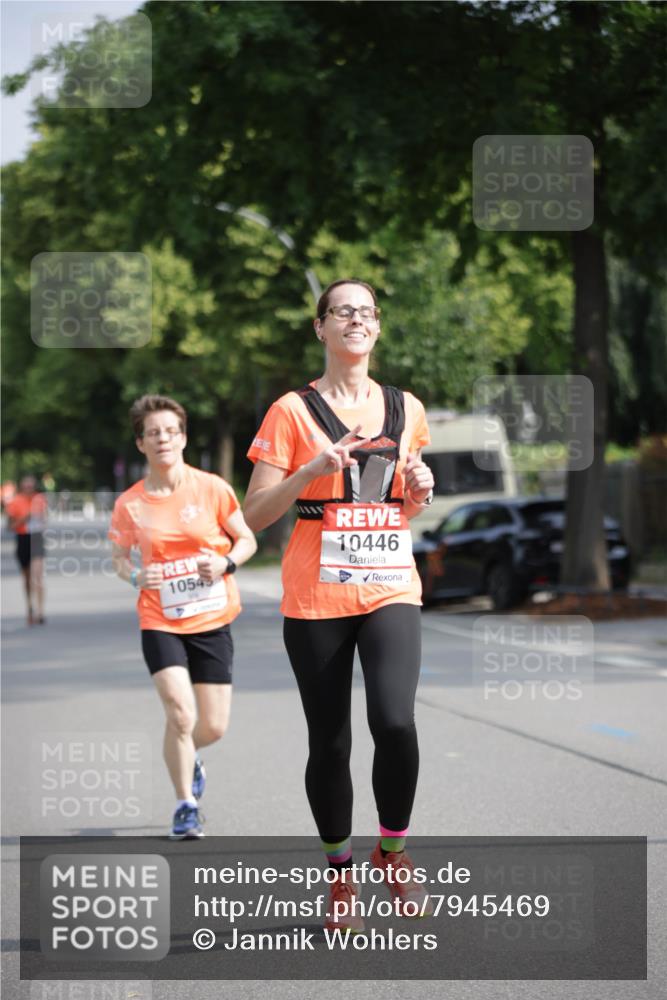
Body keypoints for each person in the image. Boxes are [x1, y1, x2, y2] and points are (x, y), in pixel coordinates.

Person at [244, 279, 435, 931]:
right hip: (315, 596)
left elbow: (398, 505)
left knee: (395, 720)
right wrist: (309, 471)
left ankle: (392, 851)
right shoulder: (290, 412)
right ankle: (340, 875)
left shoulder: (405, 408)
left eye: (366, 311)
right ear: (320, 326)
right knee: (330, 742)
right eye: (342, 311)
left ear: (376, 327)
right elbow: (254, 514)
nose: (356, 319)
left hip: (389, 585)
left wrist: (419, 490)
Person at [110, 395, 257, 839]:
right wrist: (136, 575)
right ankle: (185, 806)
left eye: (171, 431)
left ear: (184, 438)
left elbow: (246, 540)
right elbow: (119, 558)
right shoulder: (130, 504)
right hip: (160, 618)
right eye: (153, 433)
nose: (163, 439)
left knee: (212, 726)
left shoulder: (212, 488)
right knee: (179, 713)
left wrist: (226, 563)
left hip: (211, 617)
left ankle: (187, 755)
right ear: (141, 443)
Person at [6, 475, 47, 625]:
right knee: (27, 578)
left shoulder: (40, 499)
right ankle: (30, 606)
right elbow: (9, 527)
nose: (29, 489)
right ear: (22, 487)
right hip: (22, 538)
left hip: (36, 538)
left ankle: (40, 611)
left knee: (38, 576)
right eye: (26, 487)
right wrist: (25, 519)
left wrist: (41, 521)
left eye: (31, 486)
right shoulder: (15, 501)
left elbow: (44, 519)